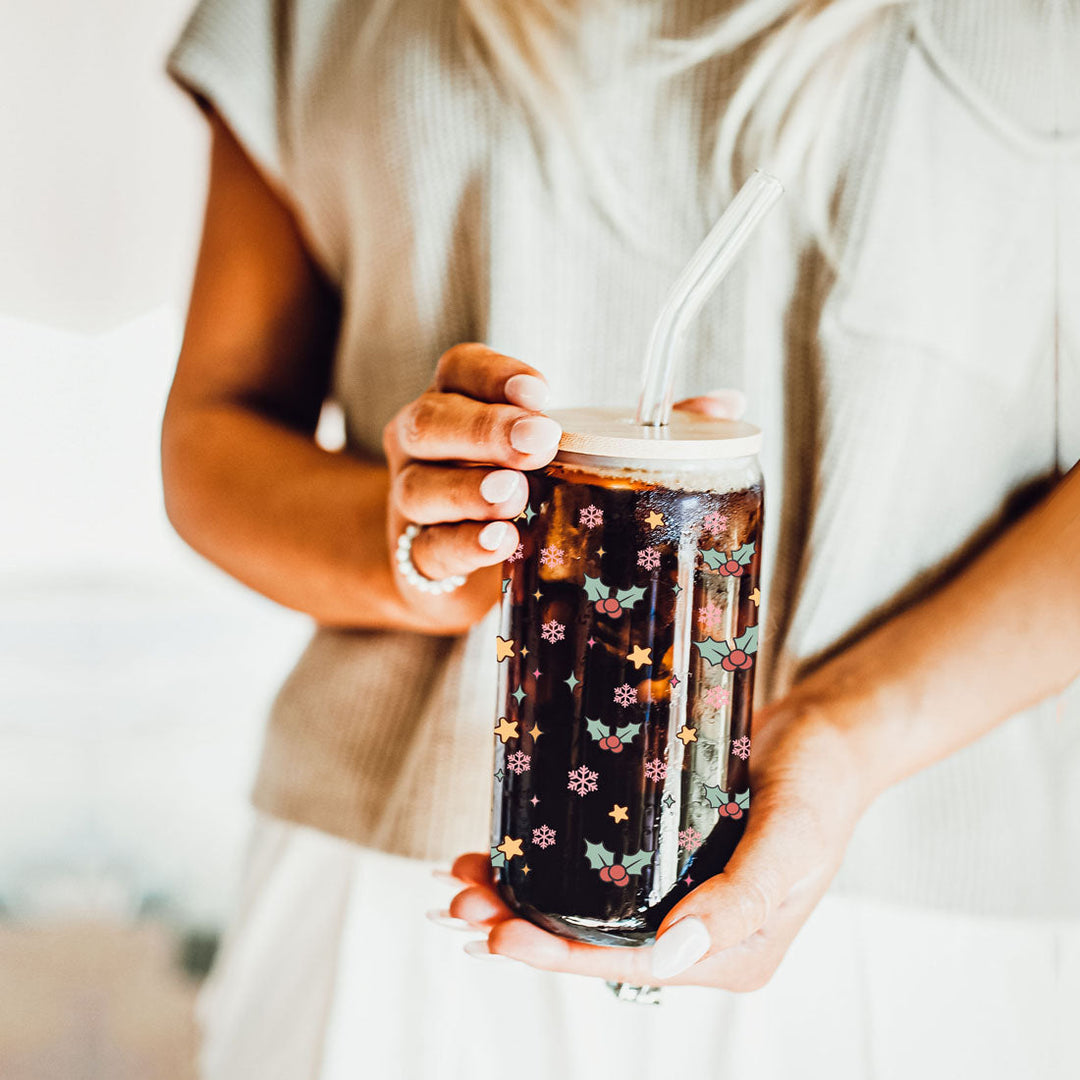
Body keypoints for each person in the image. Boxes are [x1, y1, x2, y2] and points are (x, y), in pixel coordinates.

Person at [162, 0, 1079, 1076]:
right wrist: (426, 547)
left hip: (921, 917)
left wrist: (843, 732)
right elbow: (214, 431)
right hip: (393, 887)